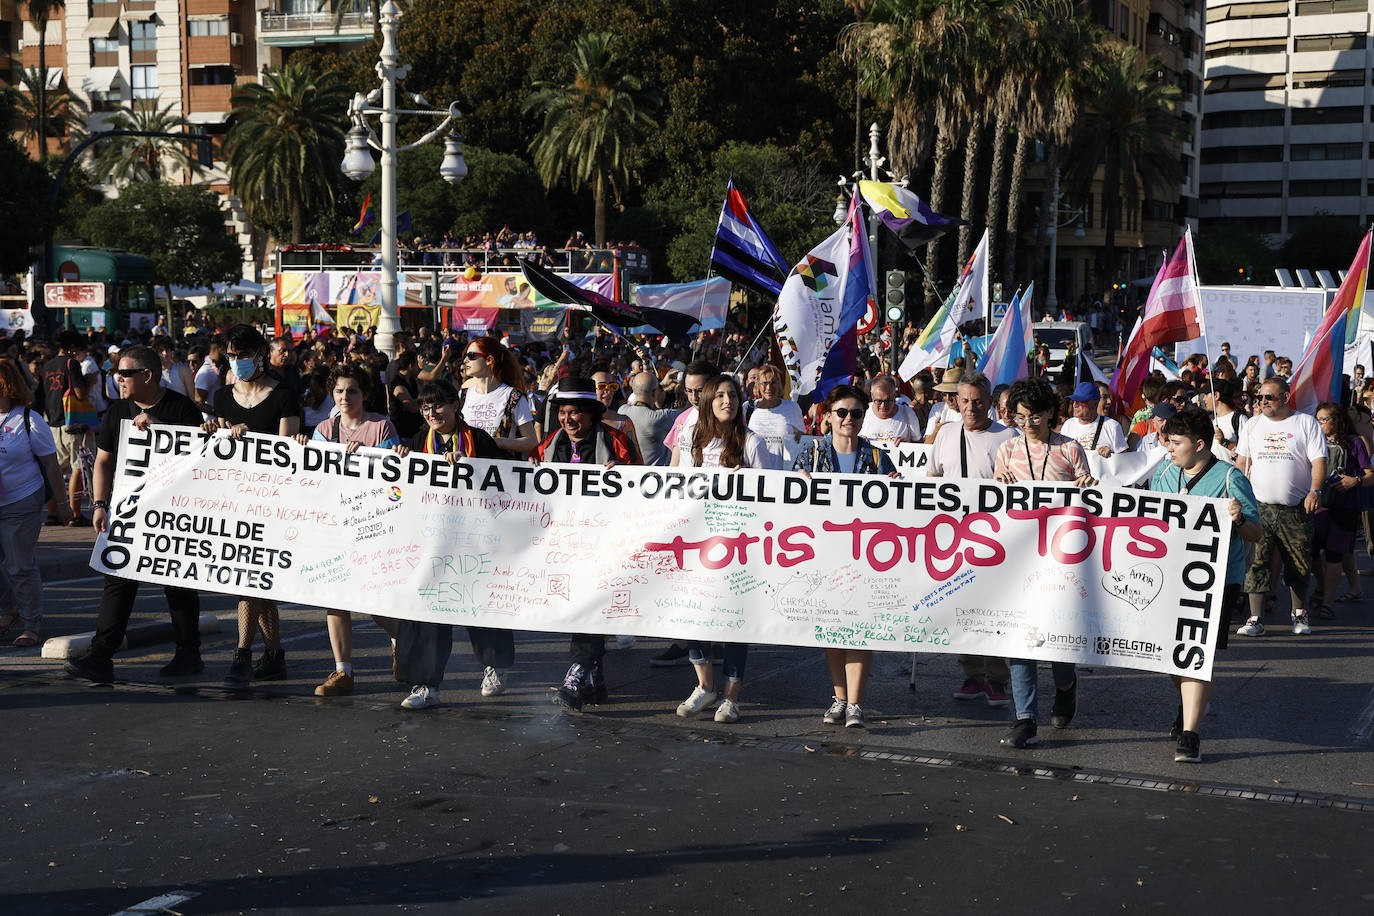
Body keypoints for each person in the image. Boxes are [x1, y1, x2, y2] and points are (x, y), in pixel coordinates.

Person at [62, 347, 207, 682]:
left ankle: (189, 654)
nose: (118, 379)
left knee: (178, 582)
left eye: (124, 373)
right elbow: (103, 462)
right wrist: (99, 504)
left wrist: (159, 431)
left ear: (148, 375)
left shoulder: (181, 409)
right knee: (118, 580)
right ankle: (101, 656)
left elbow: (197, 462)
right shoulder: (117, 411)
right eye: (117, 372)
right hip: (129, 511)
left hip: (173, 512)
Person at [1150, 407, 1261, 762]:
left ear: (1199, 445)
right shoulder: (1165, 473)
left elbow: (1256, 532)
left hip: (1215, 581)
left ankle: (1191, 734)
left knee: (1198, 655)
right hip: (1171, 577)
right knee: (1172, 655)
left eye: (1176, 442)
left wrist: (1238, 517)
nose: (1168, 447)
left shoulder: (1230, 478)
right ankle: (1189, 707)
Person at [389, 379, 505, 709]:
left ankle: (494, 666)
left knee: (479, 607)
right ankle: (427, 685)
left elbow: (502, 485)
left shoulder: (479, 440)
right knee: (429, 610)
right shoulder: (416, 442)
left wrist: (470, 465)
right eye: (425, 408)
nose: (432, 413)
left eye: (439, 405)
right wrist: (402, 457)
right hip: (432, 543)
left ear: (456, 405)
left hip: (474, 540)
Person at [993, 378, 1094, 749]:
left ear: (1052, 413)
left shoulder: (1070, 449)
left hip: (1061, 562)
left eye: (1035, 416)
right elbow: (994, 504)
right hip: (1017, 561)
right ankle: (1024, 718)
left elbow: (1088, 501)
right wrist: (998, 482)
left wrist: (1086, 483)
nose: (1028, 423)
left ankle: (1066, 685)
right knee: (1019, 638)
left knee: (1058, 641)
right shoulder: (1006, 449)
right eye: (1021, 417)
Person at [670, 374, 778, 723]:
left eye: (732, 395)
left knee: (733, 622)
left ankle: (731, 697)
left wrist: (743, 479)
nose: (727, 401)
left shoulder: (752, 442)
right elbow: (677, 486)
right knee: (693, 616)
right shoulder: (689, 438)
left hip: (737, 549)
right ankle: (705, 686)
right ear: (705, 402)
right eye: (719, 396)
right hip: (696, 545)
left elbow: (770, 496)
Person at [792, 384, 897, 728]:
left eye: (856, 413)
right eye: (842, 412)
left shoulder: (879, 457)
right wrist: (798, 482)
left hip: (866, 556)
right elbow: (786, 500)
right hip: (823, 553)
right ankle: (839, 699)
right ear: (828, 417)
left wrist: (898, 486)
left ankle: (855, 703)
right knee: (832, 629)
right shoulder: (811, 455)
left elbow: (899, 510)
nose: (849, 419)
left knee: (859, 629)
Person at [205, 324, 302, 686]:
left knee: (252, 581)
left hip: (273, 501)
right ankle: (274, 655)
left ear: (260, 355)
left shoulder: (284, 395)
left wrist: (250, 442)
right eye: (231, 355)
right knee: (257, 582)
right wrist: (216, 433)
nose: (237, 362)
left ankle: (242, 655)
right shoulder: (222, 397)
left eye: (243, 355)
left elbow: (286, 450)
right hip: (237, 499)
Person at [533, 378, 639, 711]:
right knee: (581, 608)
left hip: (607, 542)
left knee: (592, 606)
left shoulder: (617, 441)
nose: (568, 419)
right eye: (562, 412)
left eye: (575, 412)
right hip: (566, 542)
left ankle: (576, 674)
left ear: (591, 414)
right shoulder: (549, 443)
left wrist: (625, 473)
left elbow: (644, 484)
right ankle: (594, 683)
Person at [301, 365, 402, 697]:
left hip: (373, 524)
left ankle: (401, 637)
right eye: (340, 391)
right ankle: (342, 671)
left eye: (353, 391)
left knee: (374, 600)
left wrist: (379, 458)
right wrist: (303, 446)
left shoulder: (380, 426)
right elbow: (313, 477)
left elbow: (394, 484)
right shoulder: (323, 430)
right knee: (335, 598)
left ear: (365, 394)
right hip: (335, 523)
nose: (345, 397)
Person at [926, 370, 1017, 708]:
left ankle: (996, 678)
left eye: (978, 402)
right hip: (954, 537)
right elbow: (933, 478)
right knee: (962, 608)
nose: (970, 407)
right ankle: (971, 674)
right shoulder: (945, 434)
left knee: (992, 610)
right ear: (956, 402)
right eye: (964, 401)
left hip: (996, 539)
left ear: (990, 403)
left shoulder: (1008, 437)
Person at [1235, 377, 1326, 637]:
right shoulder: (1252, 425)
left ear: (1286, 397)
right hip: (1258, 508)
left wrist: (1315, 490)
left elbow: (1319, 462)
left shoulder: (1306, 423)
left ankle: (1299, 613)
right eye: (1259, 398)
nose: (1262, 402)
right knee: (1258, 563)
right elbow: (1242, 463)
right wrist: (1236, 494)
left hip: (1296, 508)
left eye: (1269, 397)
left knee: (1298, 563)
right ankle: (1255, 618)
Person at [0, 359, 69, 648]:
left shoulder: (29, 419)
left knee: (19, 565)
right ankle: (8, 611)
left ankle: (31, 623)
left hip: (21, 501)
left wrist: (62, 503)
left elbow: (52, 465)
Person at [1309, 403, 1372, 621]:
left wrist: (1355, 481)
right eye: (1317, 419)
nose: (1320, 424)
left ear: (1337, 420)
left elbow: (1370, 474)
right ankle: (1320, 585)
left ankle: (1327, 602)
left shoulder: (1354, 443)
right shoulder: (1314, 440)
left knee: (1334, 555)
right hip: (1317, 506)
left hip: (1344, 507)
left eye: (1324, 419)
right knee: (1311, 552)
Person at [42, 330, 95, 526]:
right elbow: (80, 394)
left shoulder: (48, 366)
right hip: (72, 423)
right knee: (77, 469)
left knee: (55, 469)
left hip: (53, 423)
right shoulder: (71, 364)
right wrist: (90, 380)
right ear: (72, 348)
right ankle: (75, 514)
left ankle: (52, 514)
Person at [458, 337, 538, 457]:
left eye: (471, 355)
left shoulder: (513, 396)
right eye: (465, 355)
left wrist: (496, 442)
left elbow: (531, 442)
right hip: (468, 469)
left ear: (489, 360)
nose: (465, 360)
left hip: (500, 469)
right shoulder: (463, 395)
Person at [745, 364, 806, 465]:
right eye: (764, 383)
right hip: (754, 476)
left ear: (779, 384)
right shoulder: (747, 408)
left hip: (782, 475)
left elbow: (803, 443)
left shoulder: (792, 408)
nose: (769, 387)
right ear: (758, 385)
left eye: (773, 383)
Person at [619, 370, 680, 466]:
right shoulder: (657, 418)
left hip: (630, 473)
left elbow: (643, 390)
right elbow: (689, 411)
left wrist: (659, 385)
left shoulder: (622, 411)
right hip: (655, 477)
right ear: (654, 393)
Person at [1058, 381, 1127, 457]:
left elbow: (1124, 459)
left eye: (1080, 401)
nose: (1075, 405)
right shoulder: (1068, 425)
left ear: (1095, 404)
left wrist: (1111, 454)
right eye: (1073, 401)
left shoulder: (1112, 426)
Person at [859, 375, 922, 447]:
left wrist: (906, 446)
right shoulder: (863, 411)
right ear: (872, 396)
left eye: (888, 401)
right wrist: (859, 441)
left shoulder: (907, 413)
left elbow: (919, 445)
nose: (883, 406)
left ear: (894, 396)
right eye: (878, 401)